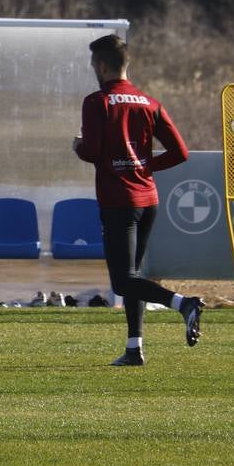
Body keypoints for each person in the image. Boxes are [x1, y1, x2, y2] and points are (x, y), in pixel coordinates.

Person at [72, 34, 205, 366]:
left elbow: (91, 152)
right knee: (133, 277)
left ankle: (182, 304)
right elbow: (180, 152)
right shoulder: (150, 102)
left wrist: (77, 146)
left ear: (101, 65)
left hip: (119, 201)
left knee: (123, 280)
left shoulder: (97, 102)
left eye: (93, 65)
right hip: (148, 200)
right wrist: (145, 165)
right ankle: (134, 348)